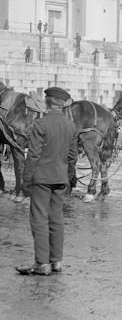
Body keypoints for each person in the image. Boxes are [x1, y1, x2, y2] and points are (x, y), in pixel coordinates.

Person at [16, 87, 78, 276]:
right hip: (60, 179)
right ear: (61, 104)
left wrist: (26, 181)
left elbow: (33, 156)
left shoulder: (40, 124)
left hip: (42, 179)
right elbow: (73, 156)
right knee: (57, 219)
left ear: (47, 102)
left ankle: (42, 263)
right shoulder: (70, 126)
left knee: (39, 220)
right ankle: (56, 261)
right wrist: (67, 177)